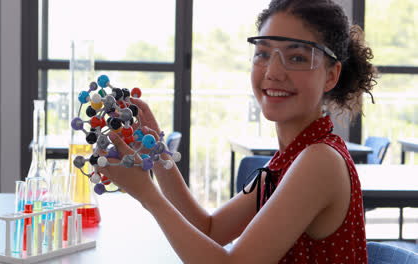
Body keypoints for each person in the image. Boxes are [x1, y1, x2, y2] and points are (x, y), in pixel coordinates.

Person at [98, 0, 377, 262]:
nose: (273, 72)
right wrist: (156, 151)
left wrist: (148, 194)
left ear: (331, 75)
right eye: (263, 54)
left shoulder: (320, 161)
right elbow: (209, 229)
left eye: (297, 58)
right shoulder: (290, 158)